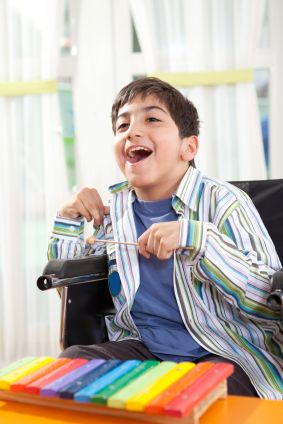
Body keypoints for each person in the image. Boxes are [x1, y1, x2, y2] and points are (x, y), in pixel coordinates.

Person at [48, 77, 283, 400]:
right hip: (145, 351)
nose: (132, 131)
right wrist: (69, 221)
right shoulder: (114, 215)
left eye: (152, 119)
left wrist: (200, 239)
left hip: (225, 352)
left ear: (189, 147)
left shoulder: (225, 202)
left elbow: (268, 305)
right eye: (122, 125)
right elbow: (72, 299)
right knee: (70, 366)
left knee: (200, 398)